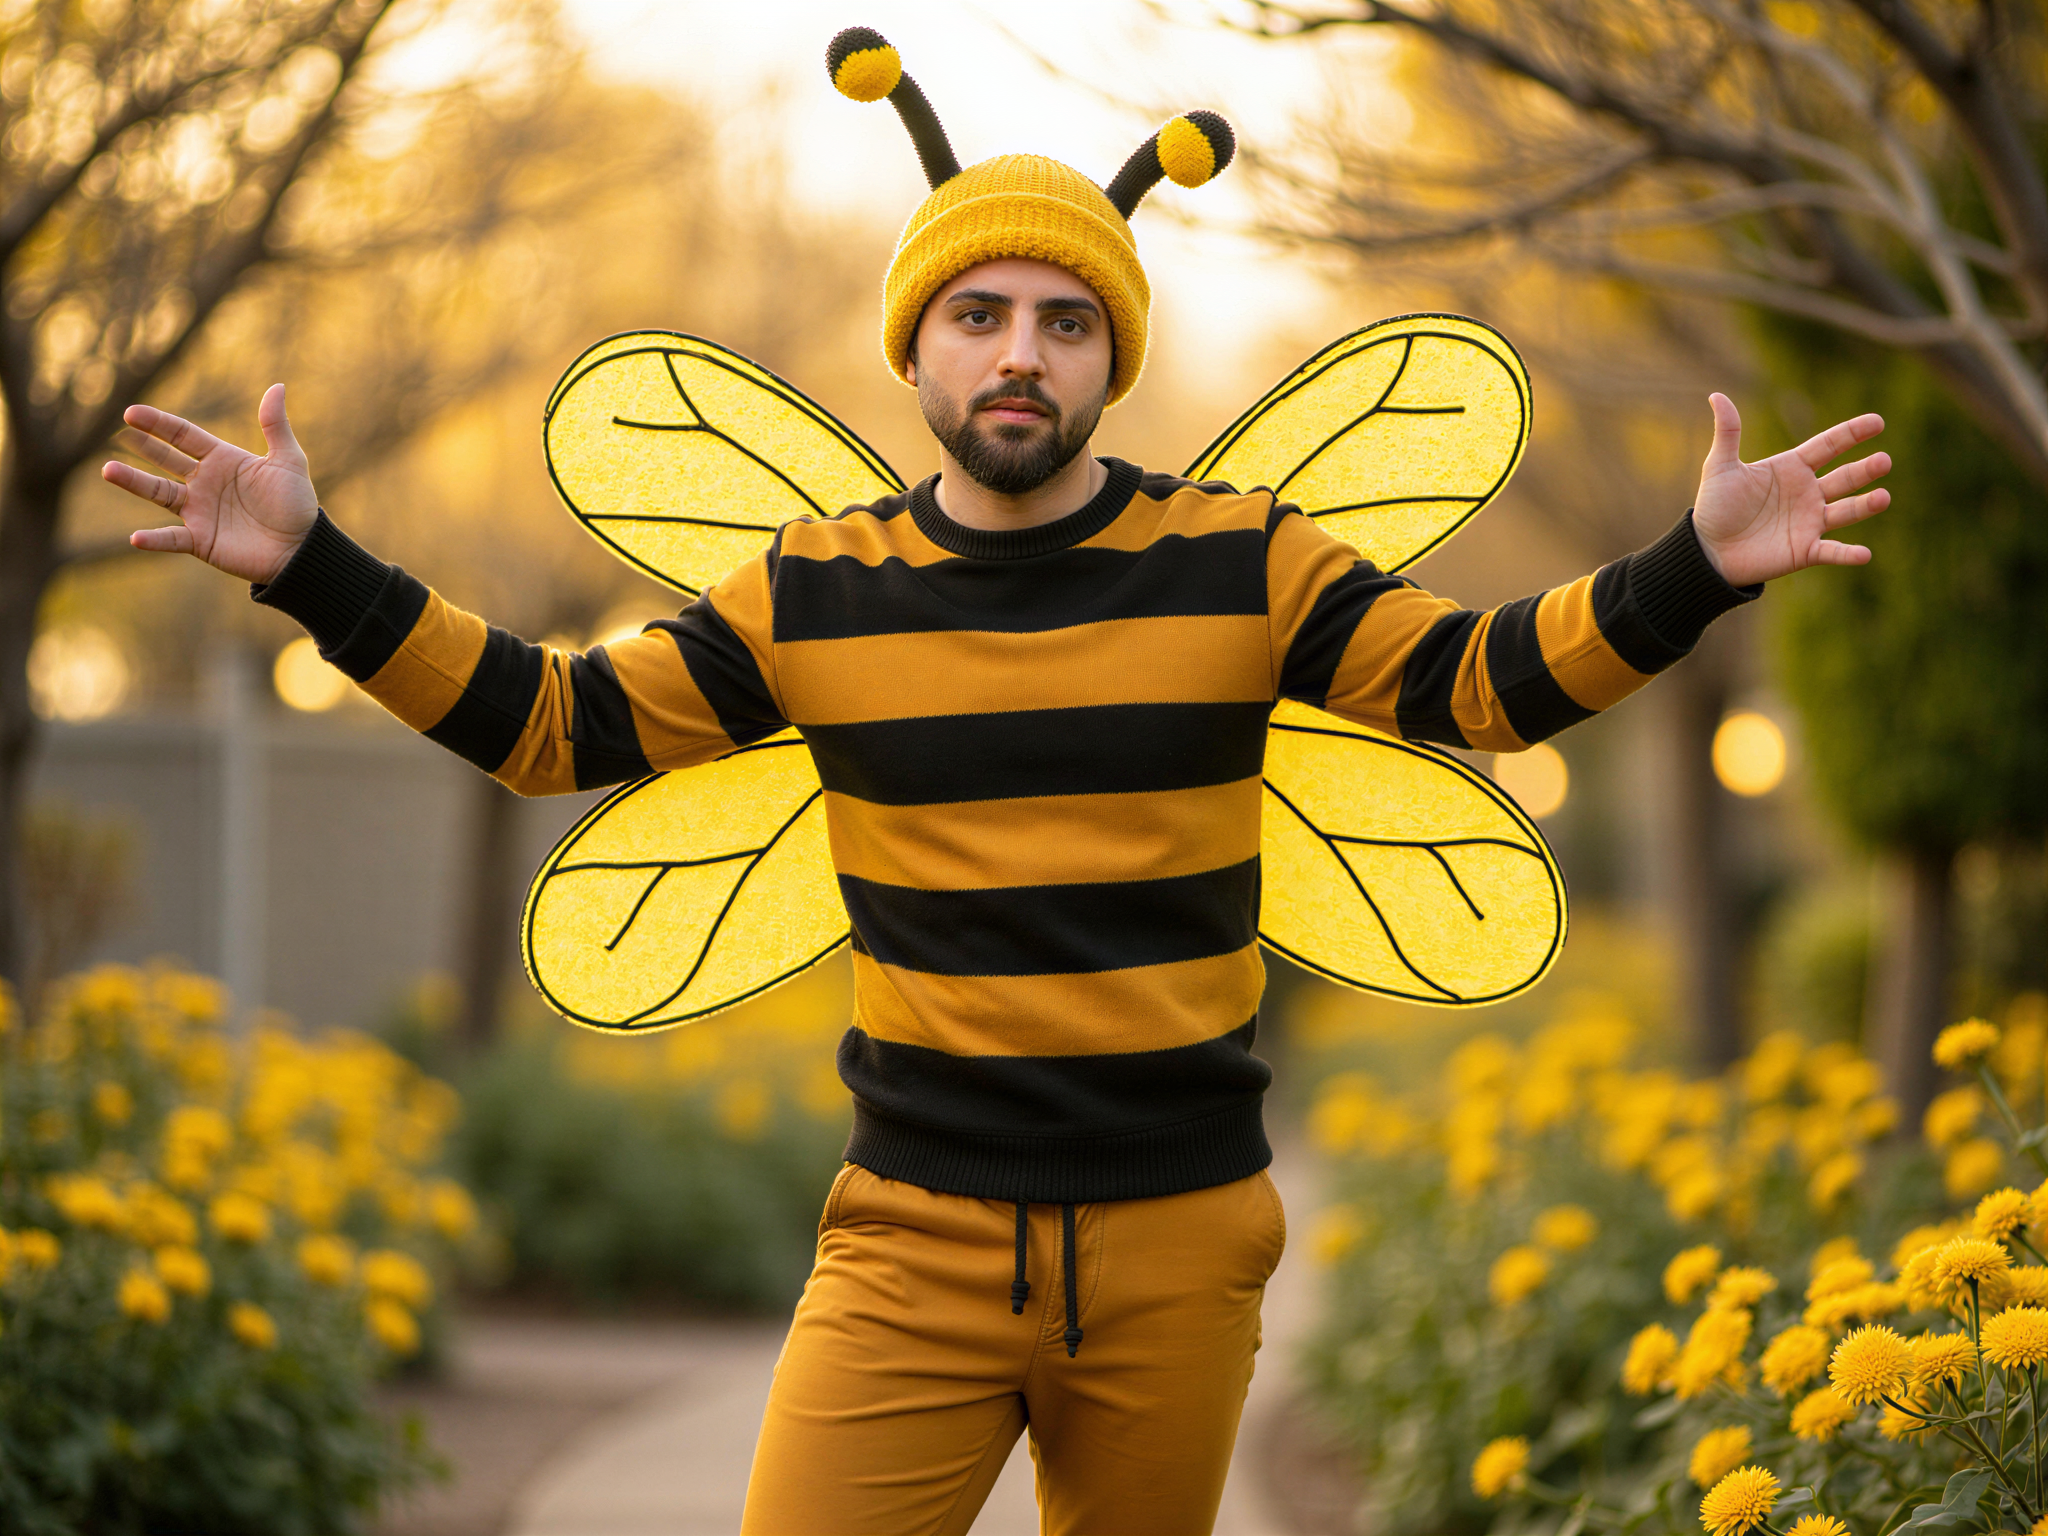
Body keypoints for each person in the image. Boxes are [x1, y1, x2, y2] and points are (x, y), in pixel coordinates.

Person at [102, 29, 1890, 1536]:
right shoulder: (810, 588)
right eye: (977, 316)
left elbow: (1482, 687)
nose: (1019, 352)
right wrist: (312, 570)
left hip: (1183, 1241)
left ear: (1111, 356)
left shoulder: (1245, 557)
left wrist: (1697, 566)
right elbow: (552, 728)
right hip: (910, 1244)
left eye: (1061, 318)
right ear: (919, 351)